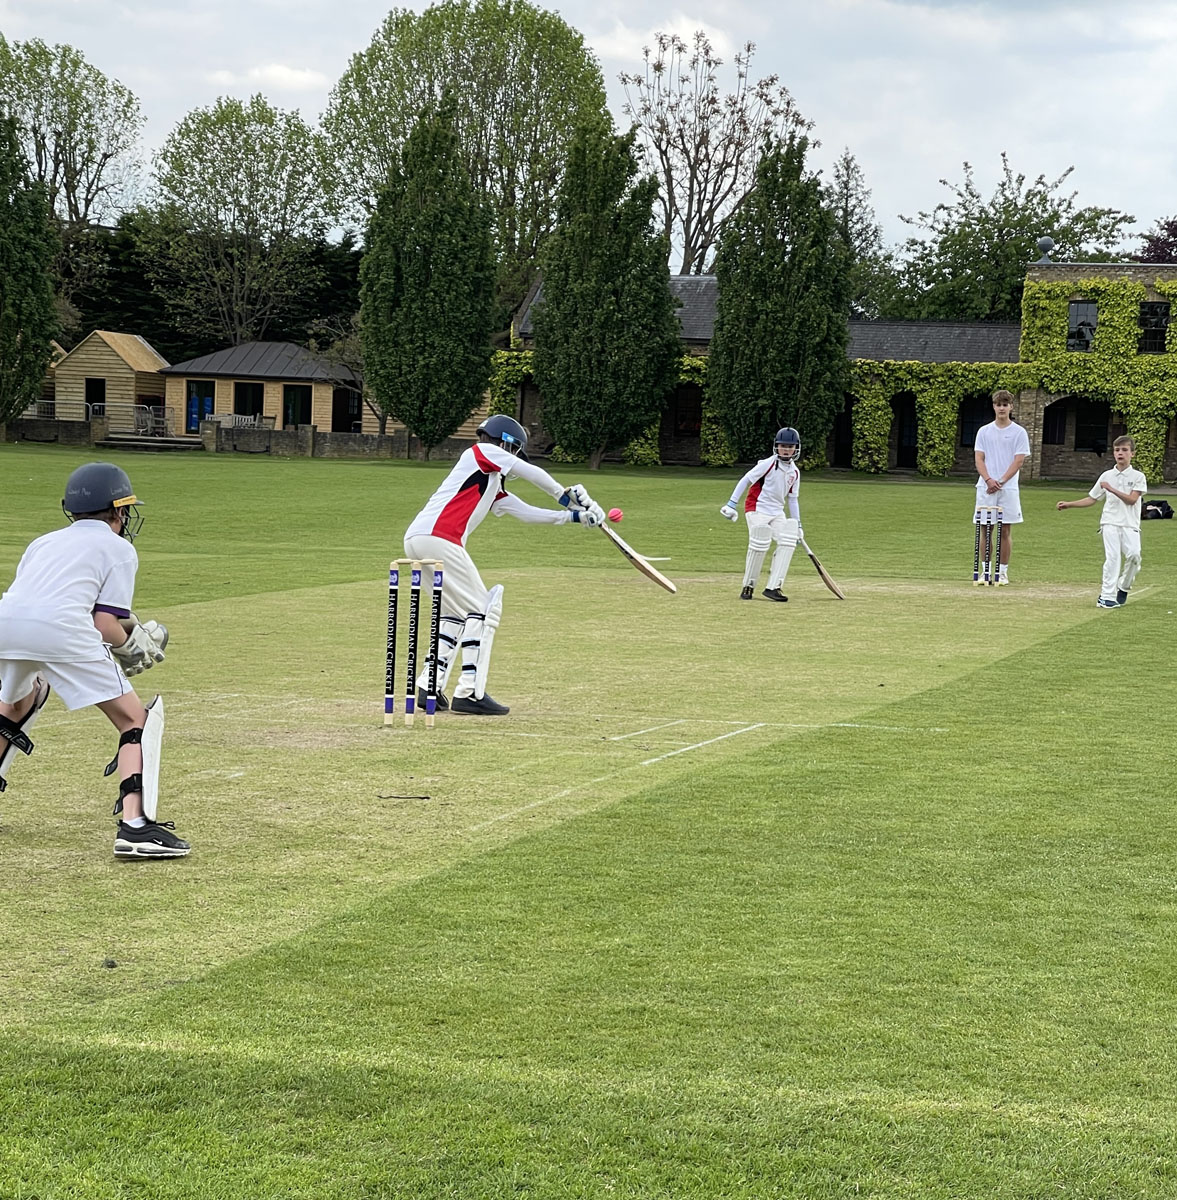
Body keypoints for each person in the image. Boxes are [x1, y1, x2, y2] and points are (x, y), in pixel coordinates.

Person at [0, 462, 189, 858]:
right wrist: (130, 645)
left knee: (16, 704)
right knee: (134, 718)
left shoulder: (44, 541)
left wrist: (120, 639)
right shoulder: (118, 548)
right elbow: (104, 625)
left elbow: (43, 601)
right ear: (119, 510)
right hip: (60, 630)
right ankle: (135, 827)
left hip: (7, 626)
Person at [403, 414, 606, 715]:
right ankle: (470, 693)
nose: (513, 459)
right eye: (514, 452)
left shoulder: (489, 479)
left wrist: (572, 517)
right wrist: (566, 496)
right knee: (484, 609)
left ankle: (429, 685)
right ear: (507, 444)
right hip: (440, 538)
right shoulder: (482, 452)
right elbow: (529, 471)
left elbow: (523, 511)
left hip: (419, 539)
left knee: (456, 614)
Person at [1056, 434, 1147, 608]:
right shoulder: (1106, 475)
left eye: (1124, 450)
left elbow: (1132, 500)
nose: (1120, 453)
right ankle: (1106, 596)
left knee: (1134, 556)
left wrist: (1111, 489)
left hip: (1130, 524)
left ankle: (1124, 586)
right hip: (1109, 522)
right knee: (1112, 558)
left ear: (1132, 454)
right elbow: (1092, 498)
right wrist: (1070, 504)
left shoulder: (1138, 476)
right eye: (1117, 450)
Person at [720, 427, 803, 602]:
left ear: (796, 448)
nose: (786, 449)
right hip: (756, 509)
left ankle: (774, 587)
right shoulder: (768, 464)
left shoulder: (794, 472)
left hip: (776, 512)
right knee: (760, 541)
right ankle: (748, 586)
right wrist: (731, 503)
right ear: (776, 446)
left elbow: (793, 500)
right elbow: (746, 479)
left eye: (790, 446)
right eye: (783, 446)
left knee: (788, 541)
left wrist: (798, 525)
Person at [972, 390, 1031, 585]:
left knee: (1005, 530)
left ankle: (1003, 572)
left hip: (1008, 488)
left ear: (1011, 407)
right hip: (986, 487)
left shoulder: (1019, 432)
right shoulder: (984, 431)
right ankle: (985, 572)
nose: (1002, 408)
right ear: (994, 407)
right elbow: (979, 458)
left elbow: (1019, 460)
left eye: (1005, 404)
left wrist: (1002, 481)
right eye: (999, 404)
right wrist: (989, 480)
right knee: (985, 529)